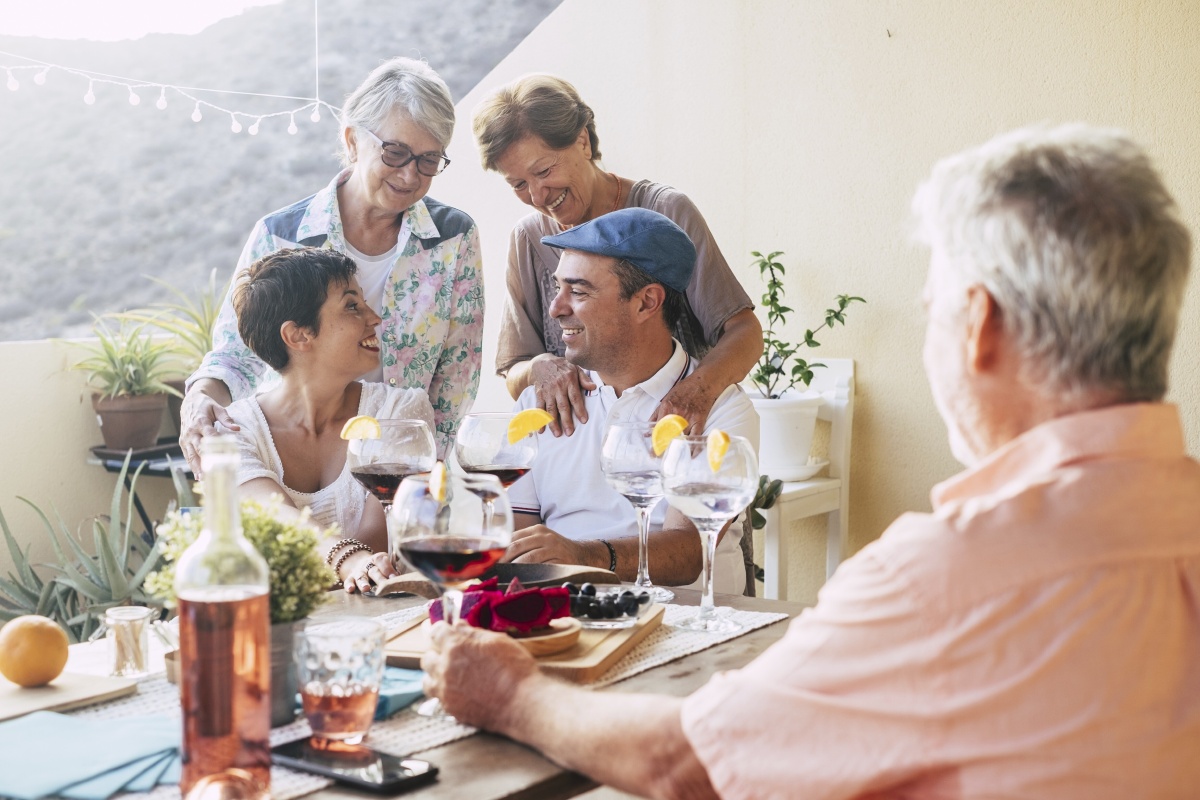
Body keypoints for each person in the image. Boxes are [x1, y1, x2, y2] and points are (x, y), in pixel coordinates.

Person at [422, 124, 1200, 798]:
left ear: (979, 328)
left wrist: (512, 695)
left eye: (933, 311)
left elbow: (689, 765)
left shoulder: (945, 580)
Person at [181, 57, 483, 473]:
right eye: (396, 153)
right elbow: (236, 350)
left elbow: (458, 373)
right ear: (354, 140)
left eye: (429, 160)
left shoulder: (453, 238)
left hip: (399, 465)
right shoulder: (282, 234)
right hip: (293, 456)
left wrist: (430, 469)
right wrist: (200, 397)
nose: (411, 175)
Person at [473, 74, 762, 437]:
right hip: (581, 447)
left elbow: (744, 332)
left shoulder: (666, 212)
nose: (537, 195)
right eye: (517, 184)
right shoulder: (529, 238)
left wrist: (696, 392)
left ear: (582, 141)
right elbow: (516, 372)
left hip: (670, 438)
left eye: (544, 171)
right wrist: (540, 368)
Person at [503, 207, 758, 595]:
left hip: (686, 626)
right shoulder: (542, 400)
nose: (556, 308)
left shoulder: (719, 409)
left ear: (646, 303)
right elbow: (518, 549)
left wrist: (582, 557)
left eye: (579, 291)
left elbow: (689, 551)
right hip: (565, 621)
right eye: (558, 288)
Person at [227, 247, 428, 594]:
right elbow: (281, 520)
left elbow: (378, 547)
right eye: (352, 306)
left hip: (380, 616)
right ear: (298, 335)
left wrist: (355, 563)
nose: (375, 317)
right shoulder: (234, 431)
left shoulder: (400, 413)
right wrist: (350, 560)